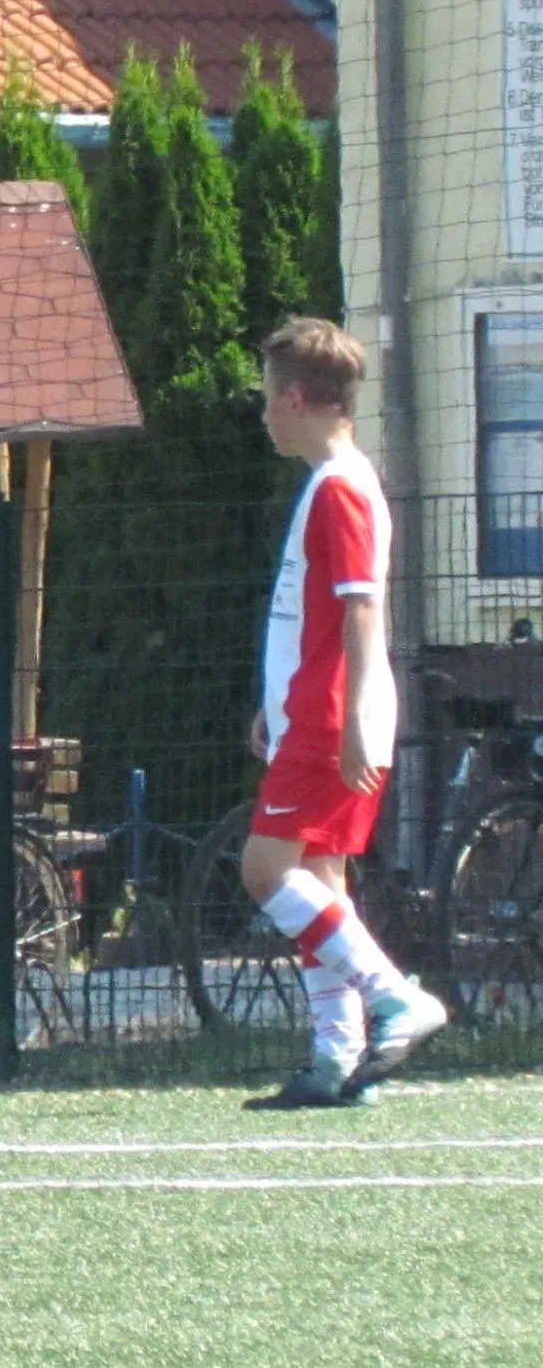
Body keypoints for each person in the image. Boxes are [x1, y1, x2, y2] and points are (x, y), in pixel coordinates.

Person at [240, 318, 446, 1110]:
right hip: (310, 714)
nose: (265, 414)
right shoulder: (330, 481)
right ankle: (336, 1060)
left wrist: (355, 718)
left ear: (296, 399)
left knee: (266, 871)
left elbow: (360, 613)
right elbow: (313, 616)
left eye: (268, 398)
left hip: (332, 719)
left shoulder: (341, 487)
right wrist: (274, 704)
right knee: (321, 881)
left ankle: (397, 998)